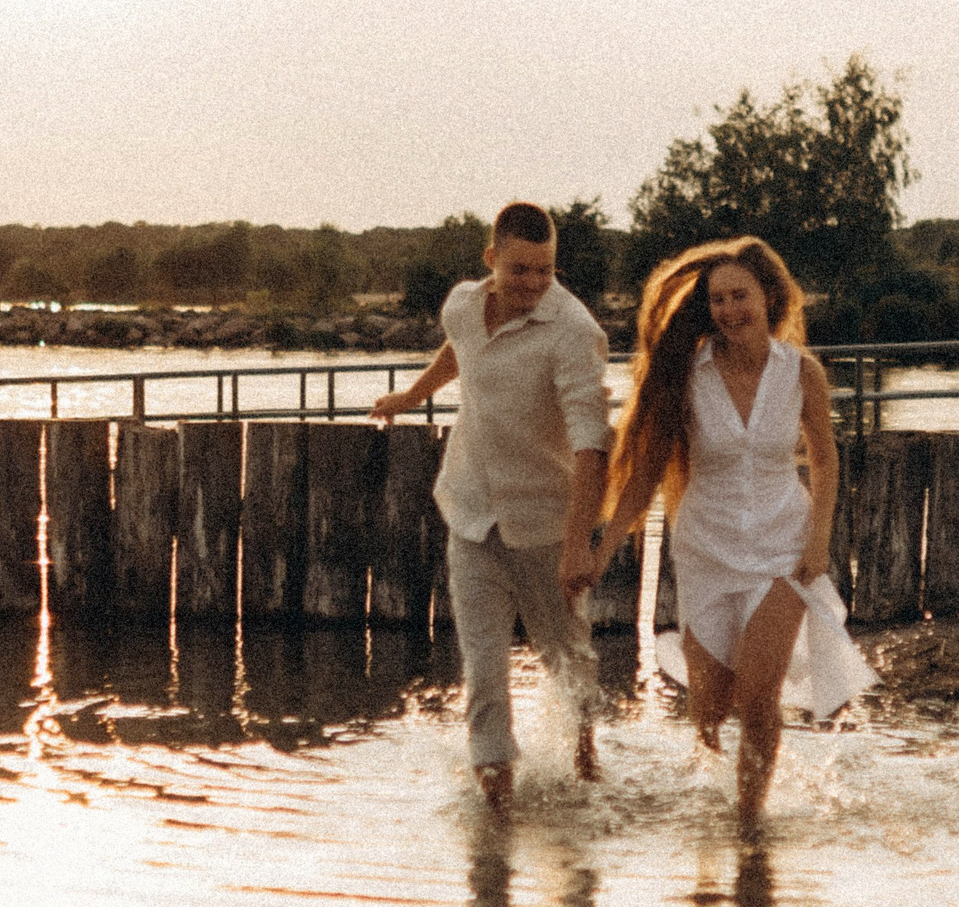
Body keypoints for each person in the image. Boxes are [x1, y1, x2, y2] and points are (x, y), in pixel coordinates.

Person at [594, 237, 874, 823]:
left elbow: (824, 459)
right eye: (717, 299)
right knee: (710, 709)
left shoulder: (801, 372)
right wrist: (601, 551)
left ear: (769, 296)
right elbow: (645, 475)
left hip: (782, 546)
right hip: (707, 548)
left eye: (739, 296)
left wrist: (819, 538)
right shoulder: (686, 375)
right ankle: (711, 805)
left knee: (757, 696)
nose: (728, 310)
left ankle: (749, 823)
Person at [370, 202, 611, 813]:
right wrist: (411, 396)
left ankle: (586, 762)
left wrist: (578, 544)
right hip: (472, 514)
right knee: (483, 669)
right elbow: (460, 349)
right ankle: (495, 808)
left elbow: (592, 444)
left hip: (546, 525)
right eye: (519, 270)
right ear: (491, 261)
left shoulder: (574, 333)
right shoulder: (461, 304)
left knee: (567, 659)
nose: (533, 283)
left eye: (545, 270)